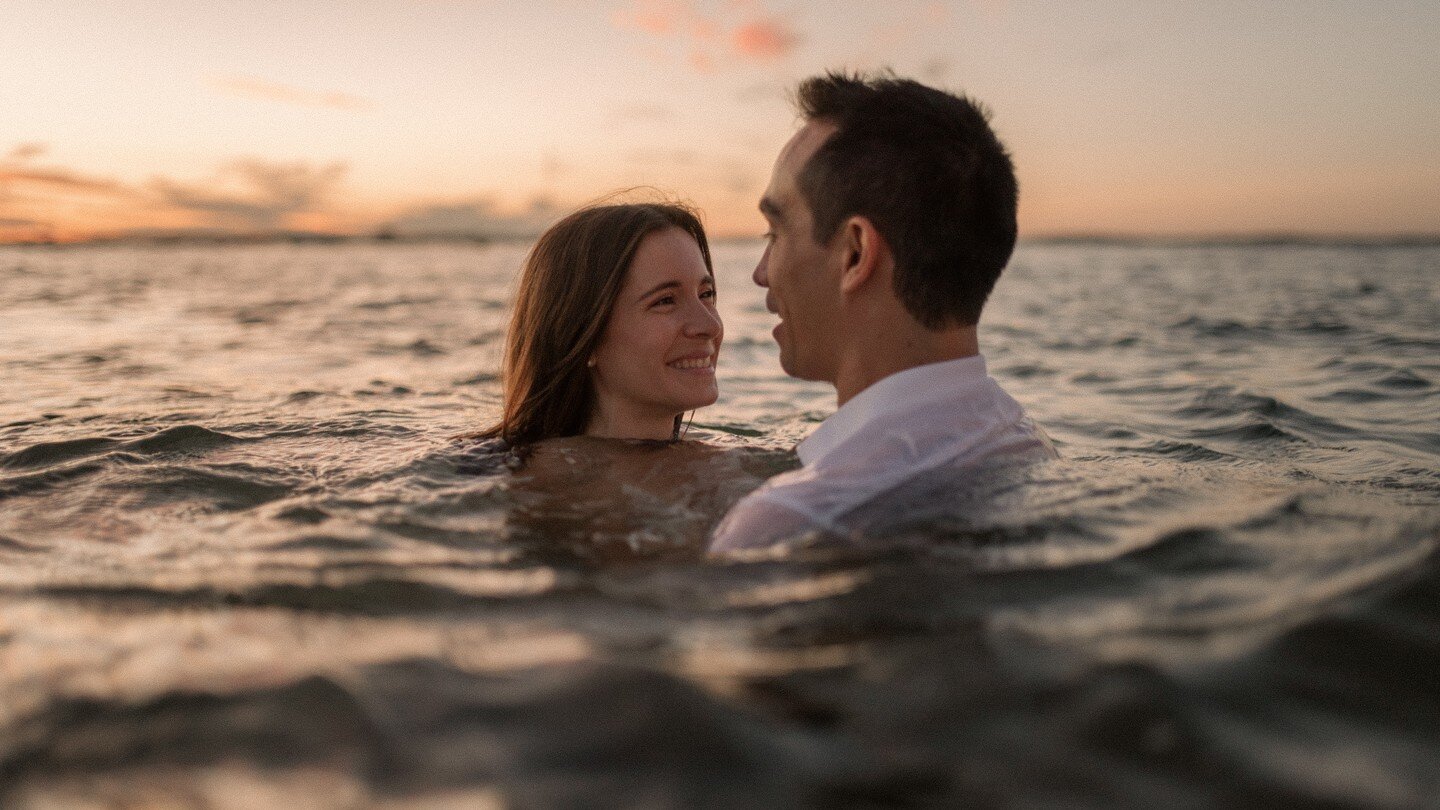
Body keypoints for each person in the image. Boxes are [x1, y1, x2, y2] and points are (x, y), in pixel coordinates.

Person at [708, 71, 1056, 554]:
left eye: (776, 233)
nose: (761, 273)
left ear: (854, 253)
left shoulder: (792, 522)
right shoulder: (1019, 438)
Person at [474, 201, 723, 447]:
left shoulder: (738, 470)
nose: (710, 326)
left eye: (706, 294)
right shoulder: (517, 480)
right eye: (666, 300)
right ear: (583, 335)